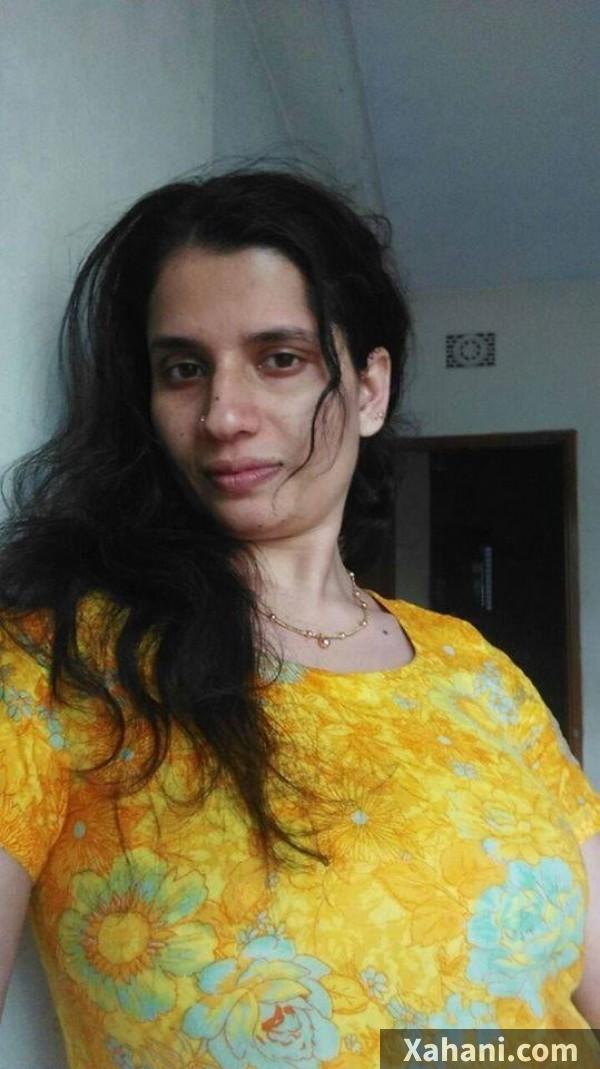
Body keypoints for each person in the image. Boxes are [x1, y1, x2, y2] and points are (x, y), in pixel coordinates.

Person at [0, 169, 598, 1069]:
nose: (222, 414)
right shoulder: (56, 667)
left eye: (279, 359)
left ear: (369, 388)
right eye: (183, 368)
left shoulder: (476, 670)